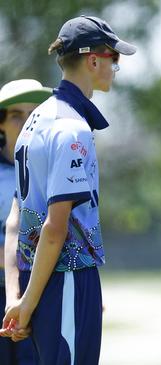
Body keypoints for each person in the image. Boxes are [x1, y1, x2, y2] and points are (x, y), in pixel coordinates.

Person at [0, 15, 136, 364]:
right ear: (94, 60)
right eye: (114, 59)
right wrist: (26, 304)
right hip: (67, 278)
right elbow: (55, 227)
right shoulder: (71, 128)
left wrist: (17, 297)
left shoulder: (35, 121)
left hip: (36, 278)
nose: (116, 68)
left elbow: (15, 220)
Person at [0, 79, 51, 364]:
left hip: (40, 294)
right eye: (16, 115)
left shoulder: (51, 172)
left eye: (33, 114)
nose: (26, 122)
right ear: (1, 123)